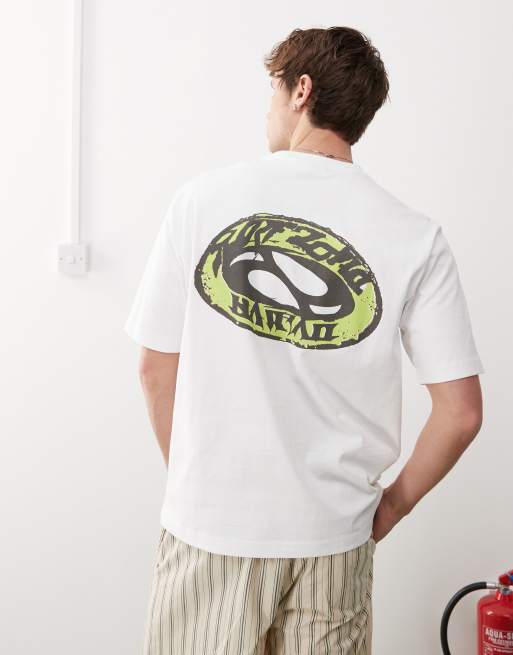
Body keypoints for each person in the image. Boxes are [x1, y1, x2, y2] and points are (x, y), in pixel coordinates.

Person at [124, 25, 484, 655]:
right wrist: (391, 509)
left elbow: (155, 368)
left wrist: (194, 487)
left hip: (212, 530)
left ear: (301, 91)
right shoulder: (413, 234)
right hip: (334, 537)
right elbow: (461, 413)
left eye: (273, 89)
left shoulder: (201, 201)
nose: (268, 108)